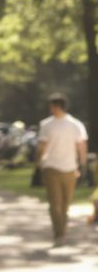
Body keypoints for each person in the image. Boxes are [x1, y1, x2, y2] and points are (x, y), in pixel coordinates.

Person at [35, 93, 88, 247]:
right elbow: (42, 146)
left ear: (58, 106)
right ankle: (59, 233)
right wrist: (39, 162)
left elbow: (81, 146)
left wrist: (82, 165)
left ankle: (62, 229)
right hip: (51, 167)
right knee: (55, 203)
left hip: (69, 168)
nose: (50, 109)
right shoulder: (46, 124)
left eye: (52, 106)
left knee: (65, 203)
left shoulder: (75, 124)